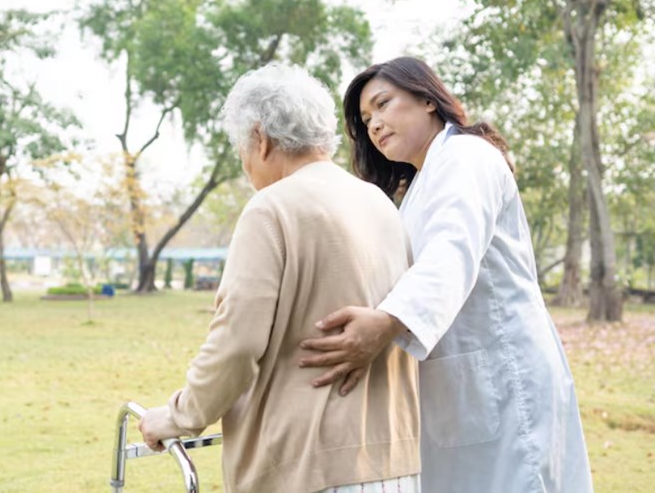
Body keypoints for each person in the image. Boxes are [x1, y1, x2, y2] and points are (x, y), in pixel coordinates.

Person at [298, 56, 593, 493]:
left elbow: (451, 249)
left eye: (383, 104)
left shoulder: (467, 156)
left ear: (427, 100)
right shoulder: (419, 186)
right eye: (365, 119)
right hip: (460, 386)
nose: (374, 124)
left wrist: (387, 322)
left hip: (503, 377)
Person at [138, 63, 421, 493]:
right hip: (397, 461)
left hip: (306, 466)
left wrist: (179, 415)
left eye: (242, 151)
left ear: (261, 138)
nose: (246, 166)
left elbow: (237, 342)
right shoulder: (380, 204)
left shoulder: (271, 209)